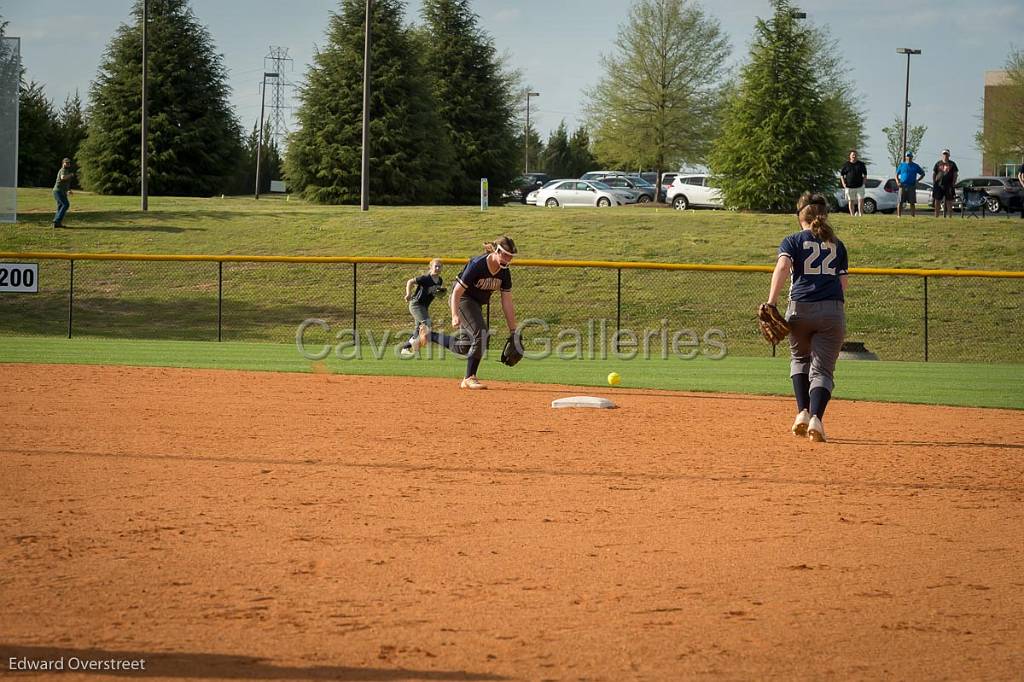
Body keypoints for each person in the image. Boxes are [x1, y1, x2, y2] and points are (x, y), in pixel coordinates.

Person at [766, 192, 848, 443]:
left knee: (799, 359)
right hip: (832, 310)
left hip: (799, 309)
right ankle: (816, 419)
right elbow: (842, 283)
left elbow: (782, 267)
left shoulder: (791, 240)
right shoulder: (838, 244)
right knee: (823, 369)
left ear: (798, 216)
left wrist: (771, 302)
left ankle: (801, 412)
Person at [409, 236, 519, 390]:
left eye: (511, 256)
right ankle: (469, 378)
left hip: (476, 304)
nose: (508, 259)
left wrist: (513, 330)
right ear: (497, 251)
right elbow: (457, 292)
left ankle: (428, 335)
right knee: (481, 333)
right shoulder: (478, 264)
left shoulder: (505, 273)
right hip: (462, 300)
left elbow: (506, 302)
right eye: (505, 254)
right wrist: (454, 315)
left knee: (465, 346)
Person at [399, 258, 445, 358]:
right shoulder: (425, 278)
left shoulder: (440, 280)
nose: (437, 268)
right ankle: (416, 344)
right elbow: (410, 282)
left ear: (442, 268)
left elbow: (433, 293)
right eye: (435, 266)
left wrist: (439, 295)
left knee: (417, 329)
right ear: (431, 267)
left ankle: (405, 348)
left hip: (424, 306)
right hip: (416, 304)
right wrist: (408, 294)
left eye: (439, 266)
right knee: (427, 322)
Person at [895, 151, 925, 218]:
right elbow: (896, 175)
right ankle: (898, 216)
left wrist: (917, 180)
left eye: (910, 156)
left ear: (912, 157)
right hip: (902, 186)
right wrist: (898, 182)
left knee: (912, 202)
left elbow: (923, 174)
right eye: (907, 156)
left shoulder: (915, 166)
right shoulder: (902, 165)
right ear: (905, 157)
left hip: (911, 186)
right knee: (900, 202)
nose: (909, 157)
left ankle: (913, 216)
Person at [839, 150, 868, 216]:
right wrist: (843, 184)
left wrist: (863, 183)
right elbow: (841, 175)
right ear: (850, 156)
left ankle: (861, 215)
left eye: (855, 155)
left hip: (860, 186)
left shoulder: (861, 164)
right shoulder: (846, 165)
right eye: (852, 155)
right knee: (851, 201)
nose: (854, 156)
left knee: (861, 200)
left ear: (857, 156)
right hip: (849, 186)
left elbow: (865, 175)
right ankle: (852, 215)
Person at [932, 149, 959, 218]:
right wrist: (934, 182)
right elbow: (934, 173)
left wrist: (953, 183)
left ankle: (950, 216)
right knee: (937, 201)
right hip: (939, 185)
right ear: (942, 155)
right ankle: (936, 216)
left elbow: (955, 174)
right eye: (944, 154)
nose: (945, 155)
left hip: (949, 185)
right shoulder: (938, 163)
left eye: (946, 154)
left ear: (949, 155)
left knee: (949, 201)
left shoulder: (952, 164)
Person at [52, 157, 75, 228]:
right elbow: (63, 178)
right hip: (58, 191)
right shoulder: (63, 170)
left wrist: (68, 190)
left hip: (60, 191)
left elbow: (65, 183)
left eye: (69, 163)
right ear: (63, 163)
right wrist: (71, 175)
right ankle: (56, 221)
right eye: (66, 162)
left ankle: (57, 223)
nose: (68, 164)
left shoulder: (66, 171)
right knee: (66, 204)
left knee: (60, 206)